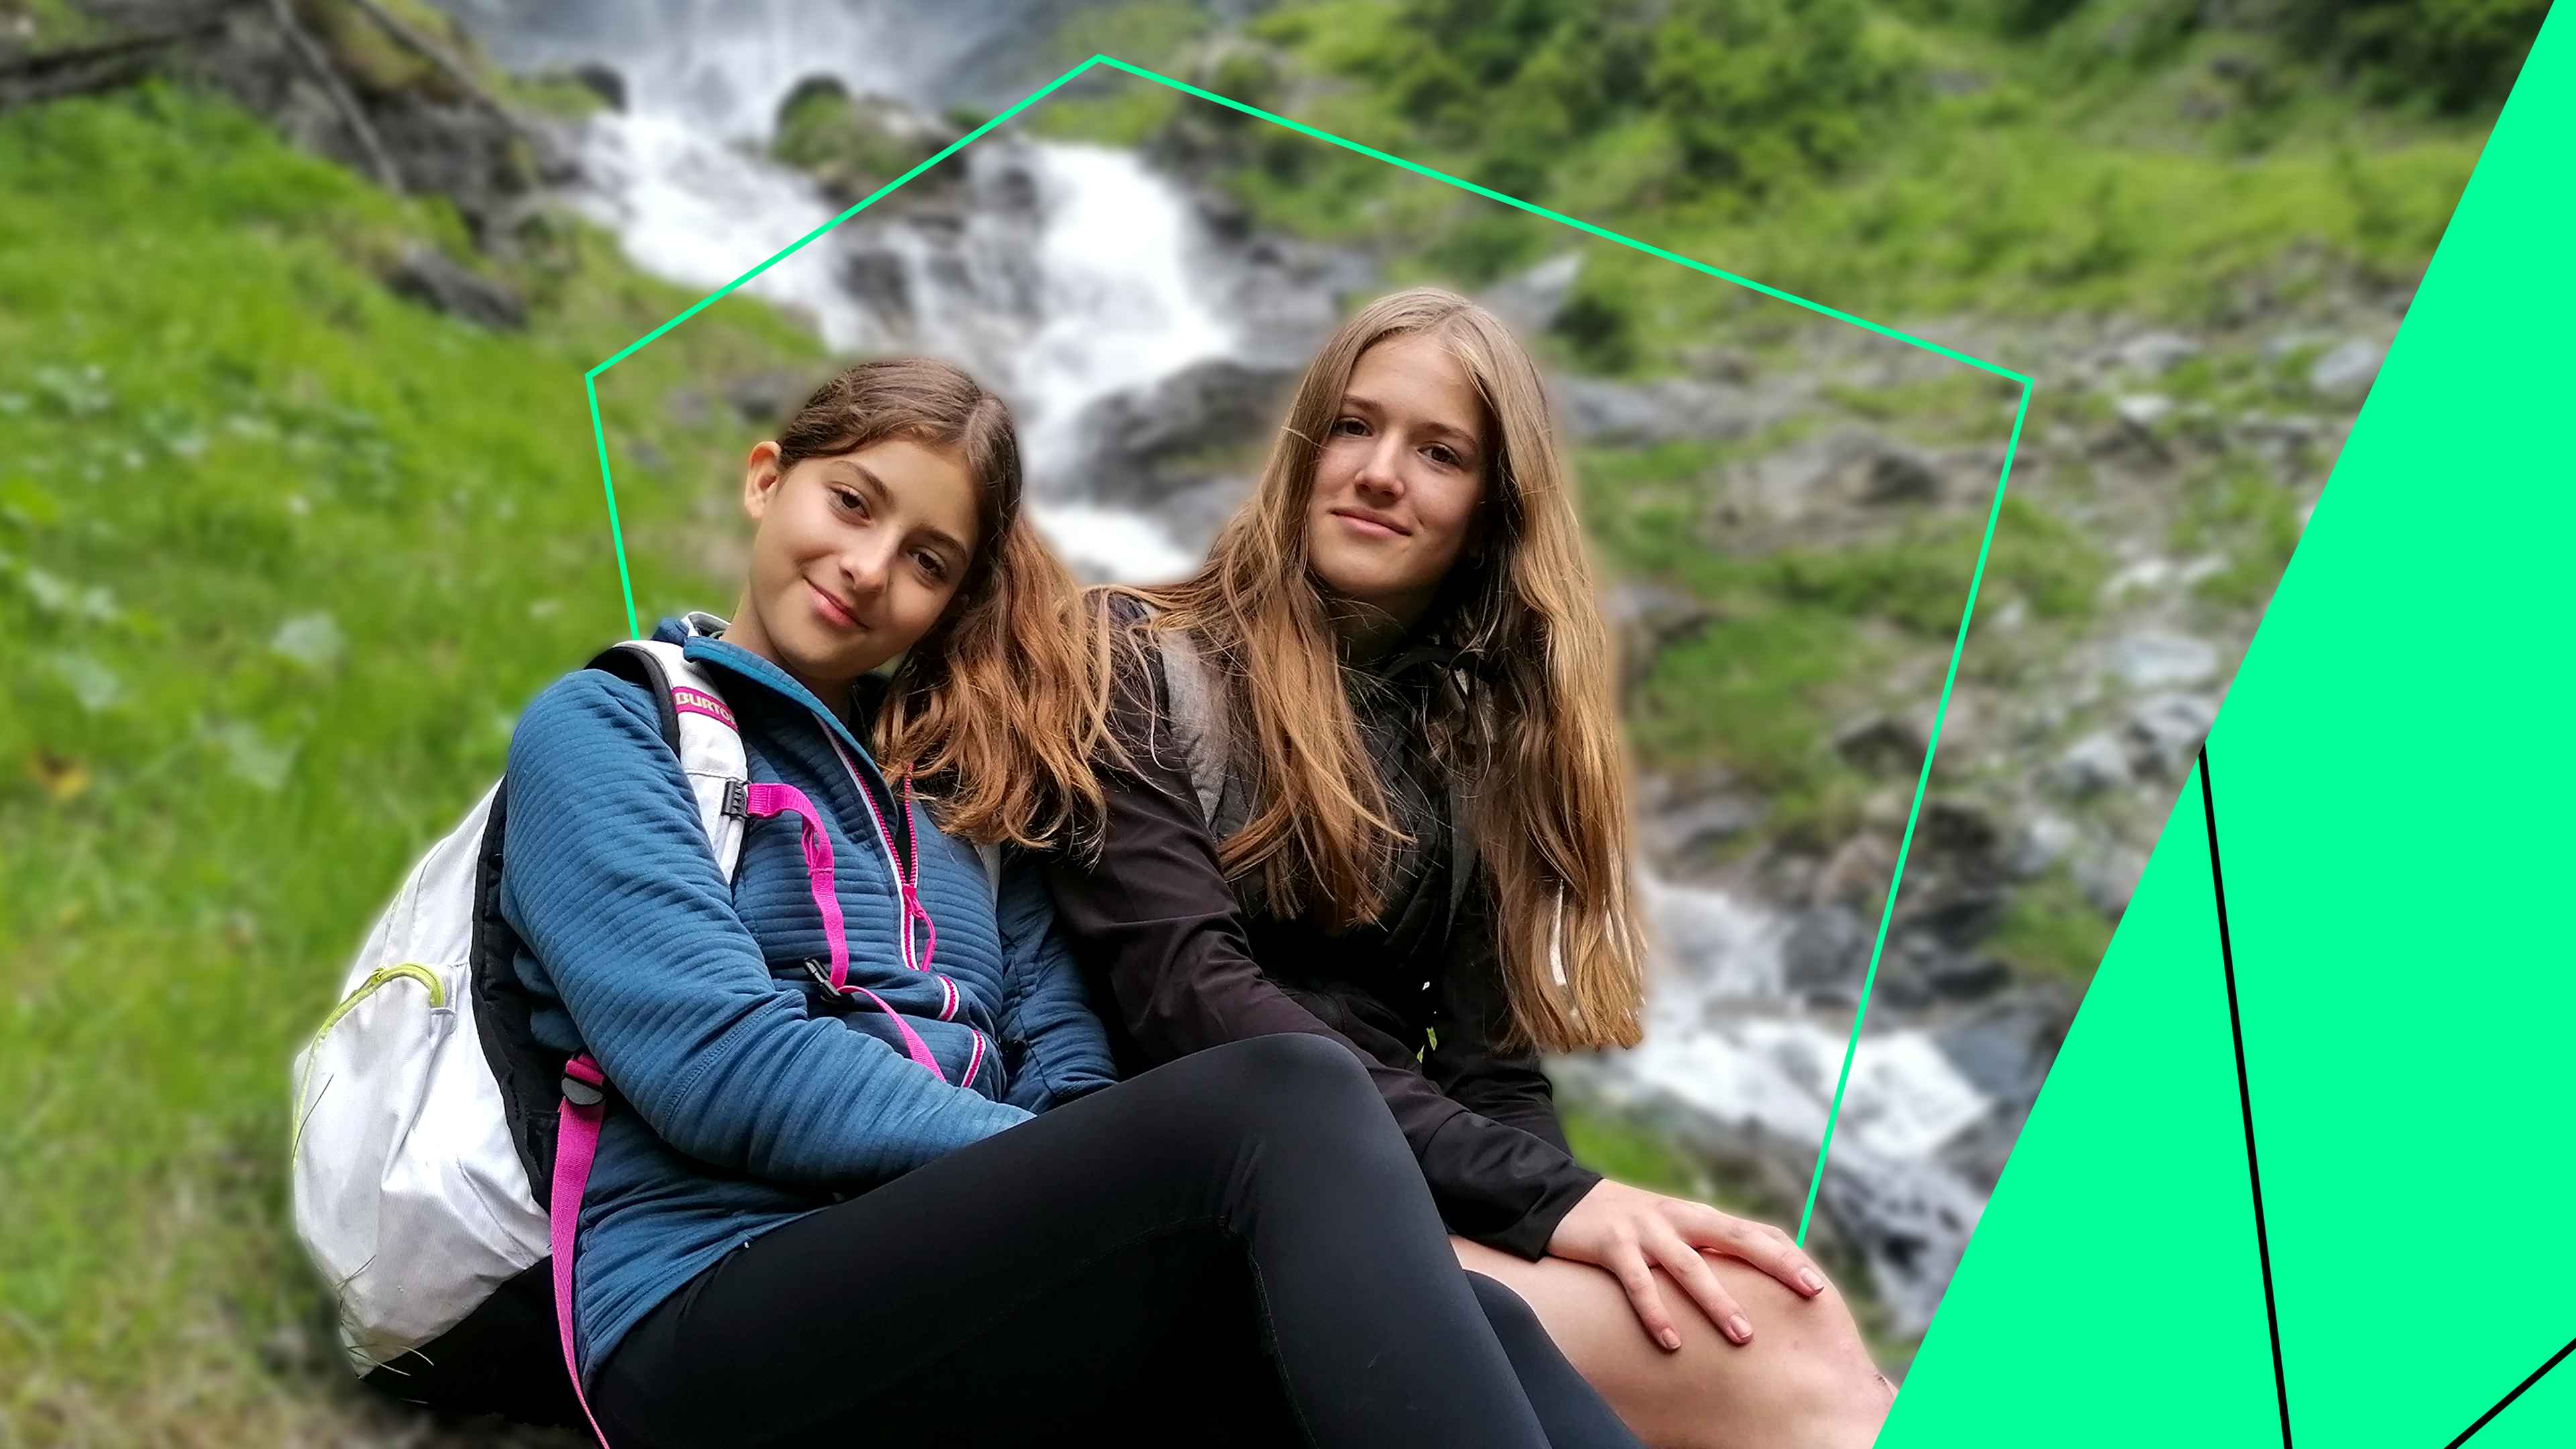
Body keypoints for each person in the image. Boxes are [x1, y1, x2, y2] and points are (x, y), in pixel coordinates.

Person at [498, 358, 1639, 1448]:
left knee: (1484, 1319)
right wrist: (1052, 1172)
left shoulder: (964, 794)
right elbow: (720, 1066)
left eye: (928, 559)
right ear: (766, 480)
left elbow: (1069, 1068)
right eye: (851, 503)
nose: (866, 565)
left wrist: (1071, 1186)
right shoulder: (608, 729)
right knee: (1283, 1092)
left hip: (950, 1297)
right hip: (707, 1318)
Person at [1044, 290, 1898, 1449]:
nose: (1380, 472)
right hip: (1228, 1188)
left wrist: (1574, 1227)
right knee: (1787, 1353)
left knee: (1785, 1310)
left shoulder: (1471, 748)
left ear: (1491, 514)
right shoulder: (1129, 657)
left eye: (1438, 452)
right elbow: (1185, 993)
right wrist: (1553, 1204)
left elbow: (1495, 1080)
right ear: (1304, 446)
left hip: (1408, 1195)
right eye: (1352, 426)